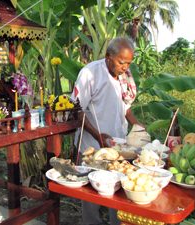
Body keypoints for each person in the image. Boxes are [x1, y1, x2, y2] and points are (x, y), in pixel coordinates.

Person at [72, 37, 143, 225]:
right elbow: (77, 111)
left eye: (129, 63)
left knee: (118, 193)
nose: (125, 67)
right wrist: (98, 136)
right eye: (121, 62)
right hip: (92, 147)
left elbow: (125, 107)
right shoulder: (90, 73)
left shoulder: (125, 77)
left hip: (118, 147)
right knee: (90, 197)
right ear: (108, 57)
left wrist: (138, 127)